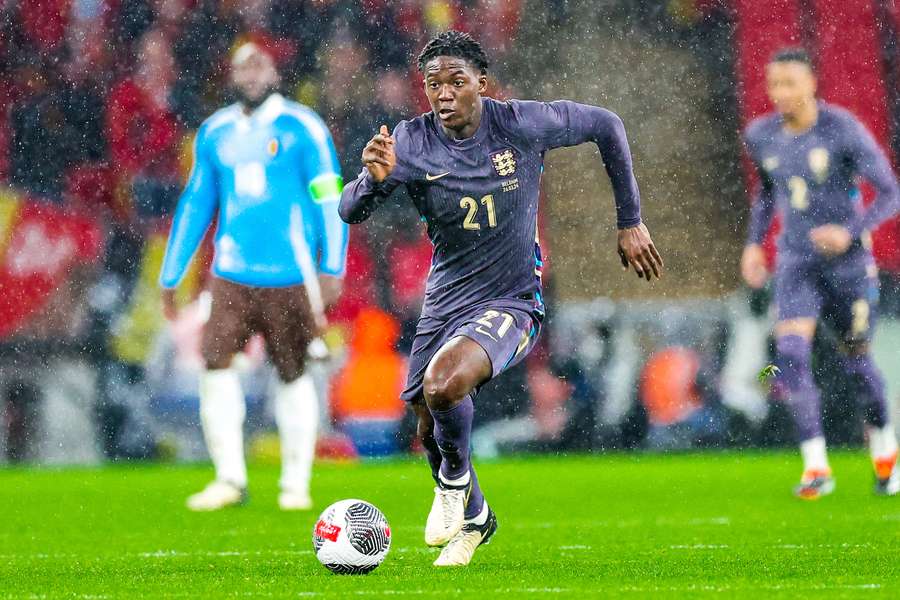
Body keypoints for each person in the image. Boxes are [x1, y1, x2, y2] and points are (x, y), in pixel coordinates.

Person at [340, 30, 662, 566]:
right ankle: (477, 517)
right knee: (427, 423)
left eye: (455, 82)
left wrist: (630, 220)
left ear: (482, 85)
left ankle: (451, 489)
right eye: (432, 84)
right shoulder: (411, 140)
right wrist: (372, 181)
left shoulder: (520, 124)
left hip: (511, 299)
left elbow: (607, 124)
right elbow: (350, 209)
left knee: (445, 386)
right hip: (444, 301)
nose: (442, 93)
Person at [159, 42, 347, 511]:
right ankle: (230, 479)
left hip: (290, 272)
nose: (251, 74)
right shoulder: (215, 131)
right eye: (243, 66)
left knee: (294, 372)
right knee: (215, 363)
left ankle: (295, 486)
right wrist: (172, 270)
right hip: (231, 272)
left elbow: (330, 196)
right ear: (232, 74)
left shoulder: (303, 127)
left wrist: (333, 265)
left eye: (259, 65)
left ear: (274, 73)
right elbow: (197, 200)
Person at [740, 48, 900, 499]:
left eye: (790, 83)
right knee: (789, 354)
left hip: (847, 267)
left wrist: (850, 232)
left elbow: (889, 193)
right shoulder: (761, 135)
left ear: (812, 84)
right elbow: (768, 194)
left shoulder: (842, 130)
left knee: (857, 364)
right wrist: (755, 244)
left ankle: (886, 456)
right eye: (774, 84)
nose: (781, 93)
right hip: (795, 262)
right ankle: (816, 467)